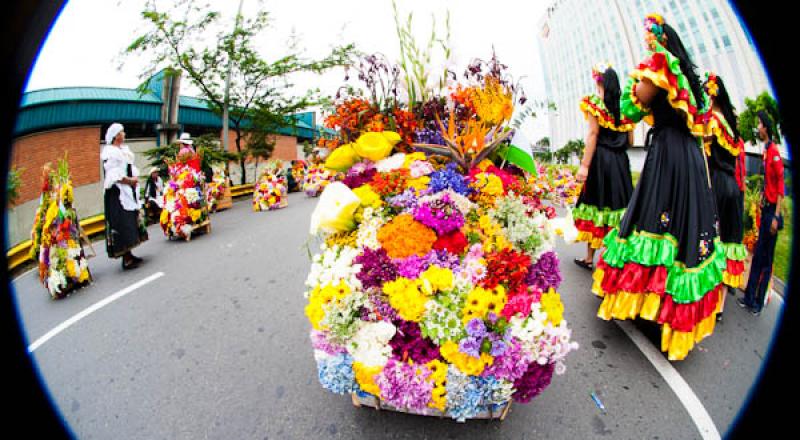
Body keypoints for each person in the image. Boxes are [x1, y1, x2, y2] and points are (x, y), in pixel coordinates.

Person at [592, 14, 725, 361]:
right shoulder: (687, 82)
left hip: (668, 156)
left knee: (654, 221)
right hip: (690, 159)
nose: (645, 43)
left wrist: (630, 86)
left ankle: (650, 307)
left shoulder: (661, 65)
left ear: (659, 40)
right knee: (683, 229)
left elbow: (635, 106)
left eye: (648, 38)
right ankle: (667, 313)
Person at [574, 63, 635, 270]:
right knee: (617, 208)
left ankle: (589, 257)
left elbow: (593, 135)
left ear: (600, 83)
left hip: (601, 161)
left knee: (596, 205)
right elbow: (631, 141)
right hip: (620, 163)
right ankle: (609, 258)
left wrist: (584, 165)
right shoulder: (625, 110)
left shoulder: (595, 105)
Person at [703, 73, 747, 322]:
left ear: (711, 95)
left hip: (717, 183)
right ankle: (720, 305)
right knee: (730, 240)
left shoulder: (714, 122)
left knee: (711, 238)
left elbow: (703, 150)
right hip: (734, 188)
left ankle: (706, 298)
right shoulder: (731, 124)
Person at [739, 111, 784, 316]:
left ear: (766, 127)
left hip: (771, 214)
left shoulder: (774, 152)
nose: (757, 127)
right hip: (765, 209)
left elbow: (781, 187)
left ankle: (757, 303)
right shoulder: (766, 150)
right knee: (757, 256)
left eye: (759, 124)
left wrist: (776, 216)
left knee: (765, 260)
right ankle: (748, 298)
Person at [101, 123, 148, 269]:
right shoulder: (110, 152)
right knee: (122, 224)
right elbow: (114, 175)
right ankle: (126, 258)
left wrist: (133, 180)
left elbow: (128, 168)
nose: (125, 134)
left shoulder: (122, 150)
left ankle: (129, 255)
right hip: (117, 193)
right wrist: (130, 181)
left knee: (129, 222)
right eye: (122, 132)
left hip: (126, 190)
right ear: (116, 136)